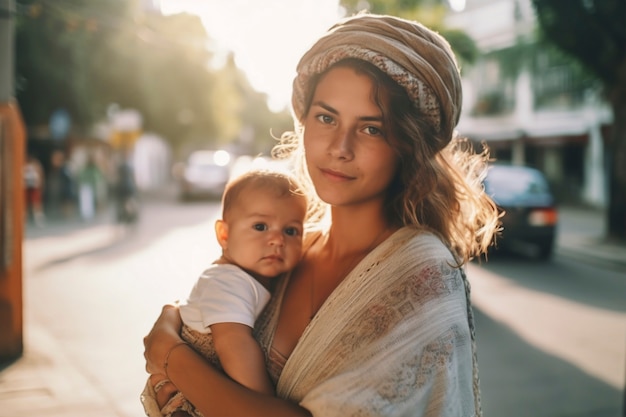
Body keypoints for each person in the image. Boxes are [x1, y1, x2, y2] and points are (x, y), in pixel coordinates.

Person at [143, 12, 501, 417]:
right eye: (326, 118)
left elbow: (177, 357)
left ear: (408, 145)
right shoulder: (289, 249)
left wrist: (168, 353)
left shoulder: (422, 275)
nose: (339, 147)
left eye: (371, 128)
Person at [141, 169, 308, 417]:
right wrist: (262, 402)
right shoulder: (228, 281)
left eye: (291, 231)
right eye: (260, 226)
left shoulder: (251, 278)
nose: (277, 240)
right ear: (224, 234)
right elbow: (234, 345)